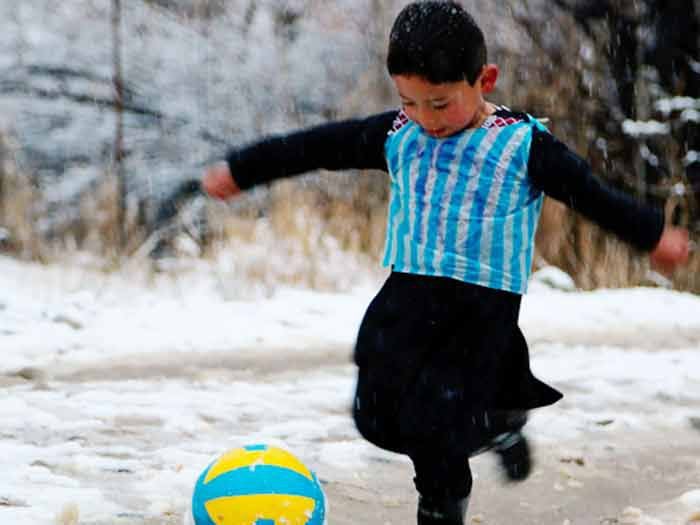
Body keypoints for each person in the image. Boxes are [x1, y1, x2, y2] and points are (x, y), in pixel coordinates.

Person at [201, 2, 691, 523]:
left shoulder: (521, 144)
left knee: (437, 420)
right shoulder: (399, 134)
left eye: (439, 102)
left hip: (480, 310)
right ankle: (501, 417)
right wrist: (241, 170)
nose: (425, 118)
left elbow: (590, 195)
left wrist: (651, 234)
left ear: (484, 79)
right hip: (407, 294)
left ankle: (442, 499)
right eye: (409, 101)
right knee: (374, 414)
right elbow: (314, 147)